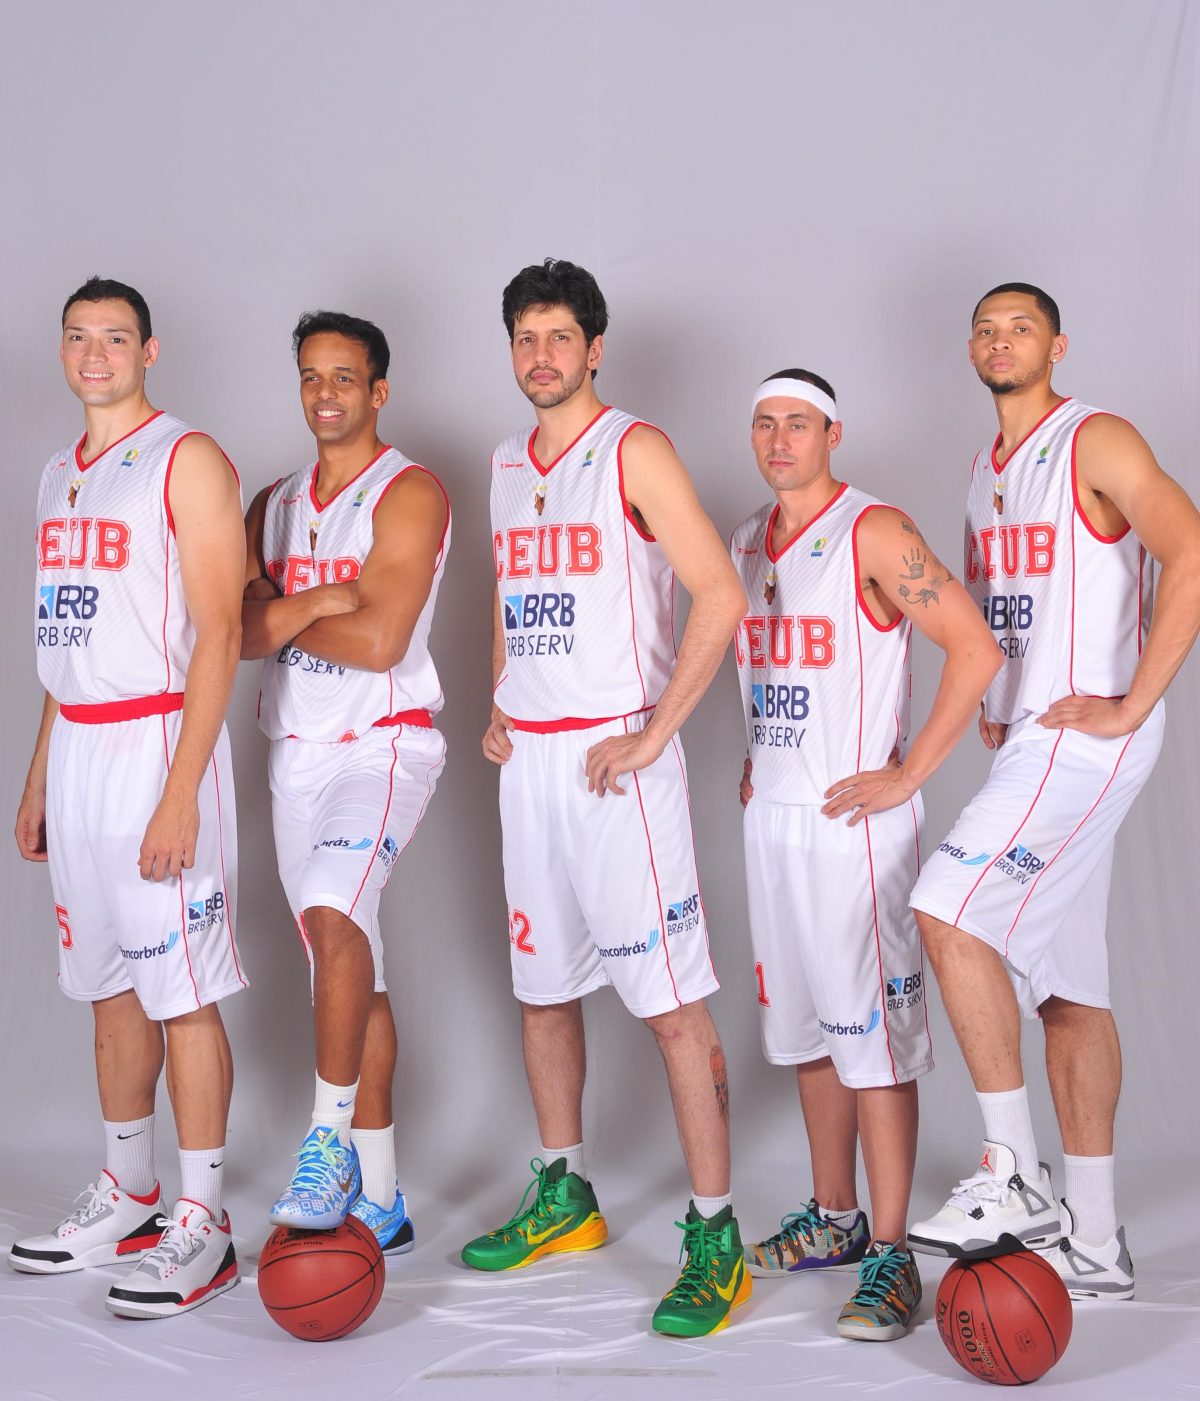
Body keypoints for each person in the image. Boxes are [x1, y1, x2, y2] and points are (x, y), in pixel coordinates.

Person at [461, 258, 750, 1338]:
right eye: (525, 338)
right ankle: (565, 1191)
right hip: (531, 764)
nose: (541, 356)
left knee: (671, 1006)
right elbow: (512, 584)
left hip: (615, 766)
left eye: (559, 337)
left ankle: (716, 1234)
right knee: (543, 989)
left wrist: (653, 733)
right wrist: (499, 695)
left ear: (594, 348)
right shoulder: (505, 460)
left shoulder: (635, 449)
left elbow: (719, 592)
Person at [908, 283, 1200, 1299]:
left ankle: (1015, 1174)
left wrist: (1132, 702)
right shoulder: (985, 470)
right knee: (1070, 994)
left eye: (1020, 327)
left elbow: (1190, 549)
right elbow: (1008, 604)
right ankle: (1098, 1242)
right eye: (985, 329)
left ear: (1057, 345)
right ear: (972, 349)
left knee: (946, 909)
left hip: (1081, 744)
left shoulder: (1095, 438)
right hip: (1032, 737)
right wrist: (1001, 698)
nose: (1001, 341)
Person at [731, 369, 1000, 1339]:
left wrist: (909, 771)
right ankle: (835, 1217)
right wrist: (754, 756)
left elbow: (974, 647)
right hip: (776, 823)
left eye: (798, 423)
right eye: (765, 423)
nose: (780, 439)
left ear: (831, 434)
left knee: (874, 1045)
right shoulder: (746, 540)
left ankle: (891, 1253)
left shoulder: (873, 530)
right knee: (810, 1035)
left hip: (856, 828)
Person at [10, 277, 247, 1318]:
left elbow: (222, 631)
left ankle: (205, 1221)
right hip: (80, 745)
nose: (95, 353)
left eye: (115, 337)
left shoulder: (187, 459)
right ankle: (130, 1192)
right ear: (63, 350)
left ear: (151, 351)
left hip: (158, 740)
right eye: (79, 336)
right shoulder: (57, 471)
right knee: (108, 986)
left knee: (180, 988)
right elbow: (68, 636)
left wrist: (182, 789)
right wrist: (38, 775)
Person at [242, 311, 450, 1255]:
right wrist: (321, 599)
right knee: (348, 962)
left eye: (344, 377)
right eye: (311, 376)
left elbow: (381, 641)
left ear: (379, 391)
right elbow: (233, 633)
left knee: (333, 908)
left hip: (382, 745)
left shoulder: (409, 491)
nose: (325, 393)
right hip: (293, 752)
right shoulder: (271, 503)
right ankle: (386, 1199)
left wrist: (285, 610)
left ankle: (325, 1143)